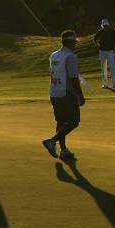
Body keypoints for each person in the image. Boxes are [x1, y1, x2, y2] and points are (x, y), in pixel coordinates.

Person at [42, 30, 85, 160]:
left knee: (61, 122)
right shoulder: (70, 56)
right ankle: (52, 141)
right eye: (74, 43)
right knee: (74, 121)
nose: (75, 45)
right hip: (65, 93)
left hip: (53, 92)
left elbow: (52, 73)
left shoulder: (53, 55)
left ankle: (64, 150)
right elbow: (73, 79)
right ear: (71, 43)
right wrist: (80, 96)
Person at [93, 19, 115, 89]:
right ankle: (105, 84)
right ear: (102, 25)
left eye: (106, 25)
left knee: (112, 67)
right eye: (104, 25)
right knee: (104, 67)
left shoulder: (112, 31)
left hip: (110, 51)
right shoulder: (100, 32)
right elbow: (94, 38)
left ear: (108, 25)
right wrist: (97, 45)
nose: (105, 26)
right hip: (102, 51)